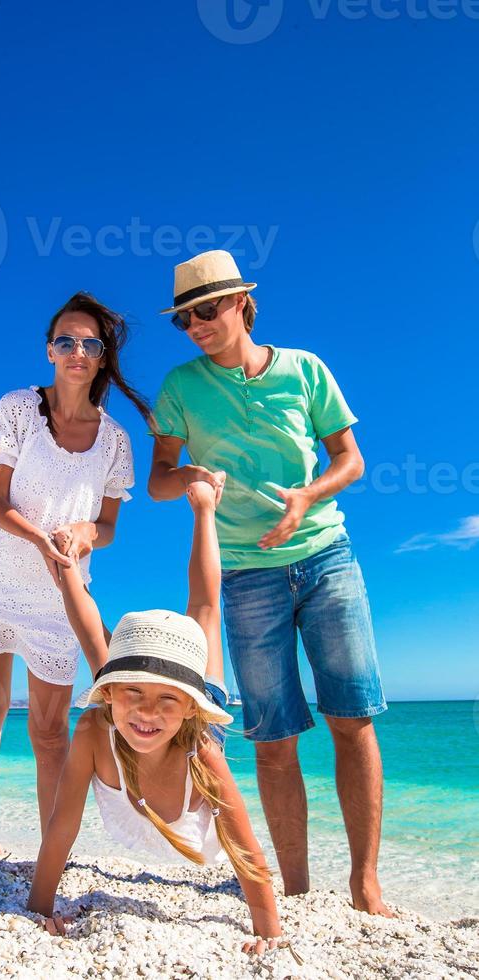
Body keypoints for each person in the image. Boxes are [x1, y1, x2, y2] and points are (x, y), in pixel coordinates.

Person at [148, 249, 391, 916]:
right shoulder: (179, 387)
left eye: (207, 309)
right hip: (246, 575)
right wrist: (194, 480)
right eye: (184, 318)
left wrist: (307, 496)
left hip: (328, 558)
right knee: (274, 738)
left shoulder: (306, 370)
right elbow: (158, 478)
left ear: (242, 304)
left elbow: (351, 458)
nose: (195, 324)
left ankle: (366, 883)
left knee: (353, 719)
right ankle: (299, 889)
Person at [27, 482, 290, 958]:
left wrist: (268, 932)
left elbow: (242, 842)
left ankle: (205, 509)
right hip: (126, 708)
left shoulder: (201, 749)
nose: (148, 712)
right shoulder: (97, 726)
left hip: (192, 707)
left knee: (205, 612)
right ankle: (68, 575)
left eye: (166, 699)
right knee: (99, 648)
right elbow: (63, 826)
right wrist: (39, 908)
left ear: (188, 705)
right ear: (108, 695)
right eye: (132, 694)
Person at [0, 291, 149, 854]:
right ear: (50, 350)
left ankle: (50, 848)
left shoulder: (115, 440)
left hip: (60, 602)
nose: (77, 351)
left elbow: (108, 525)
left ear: (101, 357)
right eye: (66, 340)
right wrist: (40, 537)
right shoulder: (18, 409)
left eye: (90, 344)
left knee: (48, 730)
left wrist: (87, 533)